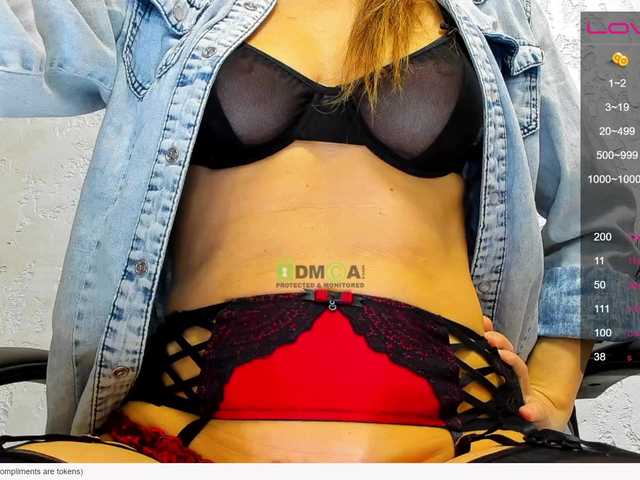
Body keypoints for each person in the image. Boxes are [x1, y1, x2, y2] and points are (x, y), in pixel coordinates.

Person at [1, 0, 639, 463]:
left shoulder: (497, 10)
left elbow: (608, 202)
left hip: (460, 442)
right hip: (174, 437)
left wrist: (553, 389)